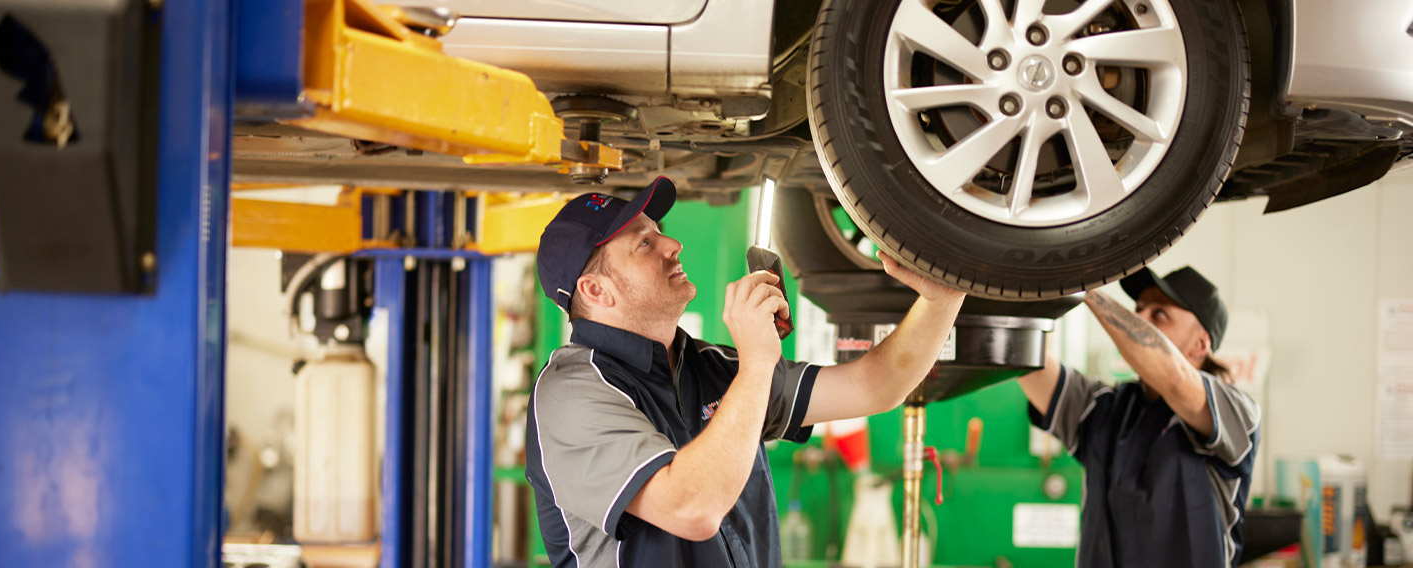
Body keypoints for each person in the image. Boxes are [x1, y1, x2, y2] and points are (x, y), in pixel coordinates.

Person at [526, 176, 965, 567]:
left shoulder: (711, 367)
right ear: (595, 291)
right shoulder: (570, 394)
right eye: (644, 243)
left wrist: (940, 301)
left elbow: (875, 386)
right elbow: (692, 507)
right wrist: (756, 362)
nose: (672, 245)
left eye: (659, 232)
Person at [1018, 266, 1260, 568]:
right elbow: (1025, 361)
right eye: (1138, 310)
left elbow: (1176, 379)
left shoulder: (1234, 412)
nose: (1138, 320)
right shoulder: (1103, 407)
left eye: (1159, 314)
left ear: (1201, 344)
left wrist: (1083, 287)